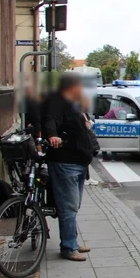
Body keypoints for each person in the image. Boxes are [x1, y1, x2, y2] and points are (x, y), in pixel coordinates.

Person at [42, 75, 94, 261]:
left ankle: (71, 240)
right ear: (71, 86)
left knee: (74, 205)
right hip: (65, 163)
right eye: (80, 86)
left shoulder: (71, 103)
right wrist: (52, 135)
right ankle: (68, 247)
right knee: (68, 206)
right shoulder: (56, 101)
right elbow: (50, 120)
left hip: (77, 163)